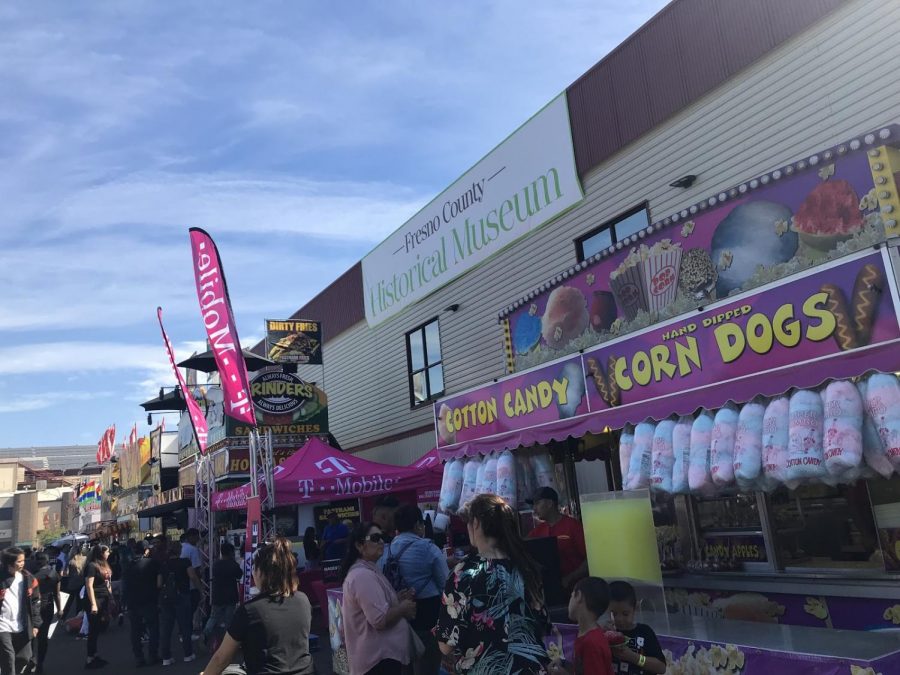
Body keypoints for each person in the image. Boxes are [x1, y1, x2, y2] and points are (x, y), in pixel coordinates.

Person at [437, 493, 550, 674]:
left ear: (476, 524)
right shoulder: (526, 565)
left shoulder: (463, 572)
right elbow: (543, 624)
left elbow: (446, 645)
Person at [202, 537, 315, 675]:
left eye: (254, 568)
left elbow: (221, 658)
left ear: (261, 573)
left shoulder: (250, 610)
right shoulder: (303, 600)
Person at [378, 504, 448, 675]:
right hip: (428, 614)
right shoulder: (428, 548)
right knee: (428, 663)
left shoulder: (386, 551)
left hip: (398, 614)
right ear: (418, 525)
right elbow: (445, 582)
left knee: (405, 665)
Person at [341, 523, 416, 675]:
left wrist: (397, 599)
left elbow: (377, 607)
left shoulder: (368, 570)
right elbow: (379, 620)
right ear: (360, 545)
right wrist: (402, 609)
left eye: (382, 537)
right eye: (375, 538)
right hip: (377, 662)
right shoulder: (363, 576)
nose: (381, 541)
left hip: (380, 659)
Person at [527, 487, 588, 594]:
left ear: (550, 503)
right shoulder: (536, 532)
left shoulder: (573, 526)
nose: (534, 509)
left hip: (578, 591)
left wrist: (569, 578)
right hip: (550, 591)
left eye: (537, 503)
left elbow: (590, 559)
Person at [549, 577, 613, 675]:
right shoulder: (587, 635)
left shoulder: (591, 643)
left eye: (571, 596)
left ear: (578, 596)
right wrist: (563, 663)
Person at [607, 581, 666, 675]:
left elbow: (661, 668)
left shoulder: (644, 632)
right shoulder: (605, 633)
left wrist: (634, 657)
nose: (619, 619)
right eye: (613, 614)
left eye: (625, 614)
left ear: (635, 609)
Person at [0, 547, 41, 675]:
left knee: (24, 657)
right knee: (9, 657)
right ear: (9, 562)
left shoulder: (28, 578)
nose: (22, 563)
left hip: (23, 624)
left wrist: (36, 624)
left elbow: (35, 602)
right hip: (2, 625)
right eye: (19, 561)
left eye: (23, 560)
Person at [124, 541, 160, 668]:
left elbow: (125, 585)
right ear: (146, 550)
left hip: (133, 602)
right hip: (149, 600)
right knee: (153, 628)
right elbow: (159, 582)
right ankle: (153, 655)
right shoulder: (152, 563)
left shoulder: (129, 565)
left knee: (135, 631)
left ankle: (139, 657)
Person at [159, 542, 196, 665]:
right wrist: (200, 589)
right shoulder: (185, 562)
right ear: (179, 550)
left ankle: (166, 657)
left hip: (166, 598)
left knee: (166, 628)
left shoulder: (163, 564)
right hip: (182, 595)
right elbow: (192, 576)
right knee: (185, 626)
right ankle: (188, 654)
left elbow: (159, 583)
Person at [203, 543, 242, 644]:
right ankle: (227, 641)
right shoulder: (233, 564)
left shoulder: (216, 564)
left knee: (213, 617)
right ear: (231, 552)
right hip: (230, 596)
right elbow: (239, 575)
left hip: (217, 595)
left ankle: (205, 634)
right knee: (229, 620)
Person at [83, 544, 113, 669]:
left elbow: (107, 583)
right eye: (107, 551)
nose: (109, 553)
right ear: (101, 553)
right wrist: (94, 604)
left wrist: (111, 598)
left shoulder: (104, 565)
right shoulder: (91, 566)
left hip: (104, 598)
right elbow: (89, 585)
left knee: (98, 628)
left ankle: (95, 655)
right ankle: (90, 658)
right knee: (93, 629)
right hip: (95, 599)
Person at [32, 552, 62, 674]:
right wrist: (60, 609)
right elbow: (57, 594)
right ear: (47, 560)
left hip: (33, 607)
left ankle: (31, 660)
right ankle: (40, 663)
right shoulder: (54, 574)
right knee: (43, 638)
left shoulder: (32, 575)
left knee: (31, 636)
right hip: (47, 606)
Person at [180, 528, 204, 638]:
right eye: (197, 536)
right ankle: (187, 633)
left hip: (182, 585)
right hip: (192, 585)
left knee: (184, 611)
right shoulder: (193, 550)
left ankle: (183, 632)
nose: (198, 539)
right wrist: (200, 585)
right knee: (191, 610)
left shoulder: (182, 548)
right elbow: (196, 569)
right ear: (192, 537)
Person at [63, 546, 86, 620]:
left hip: (72, 584)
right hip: (82, 583)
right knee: (80, 603)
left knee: (68, 602)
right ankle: (78, 618)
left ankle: (62, 618)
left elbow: (65, 573)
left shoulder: (70, 560)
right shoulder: (85, 559)